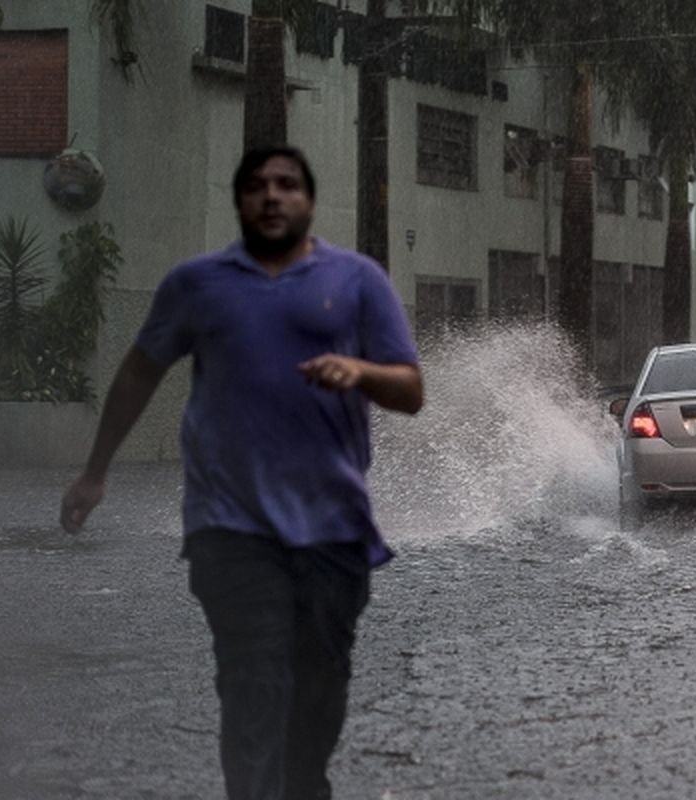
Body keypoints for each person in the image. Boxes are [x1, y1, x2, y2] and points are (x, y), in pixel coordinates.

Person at [59, 146, 424, 800]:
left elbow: (410, 391)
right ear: (239, 202)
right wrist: (96, 471)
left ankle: (304, 785)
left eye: (287, 185)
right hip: (230, 528)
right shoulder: (197, 284)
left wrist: (360, 372)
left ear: (309, 201)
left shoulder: (359, 280)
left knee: (319, 691)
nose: (271, 196)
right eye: (256, 186)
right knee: (254, 684)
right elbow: (141, 370)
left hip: (333, 531)